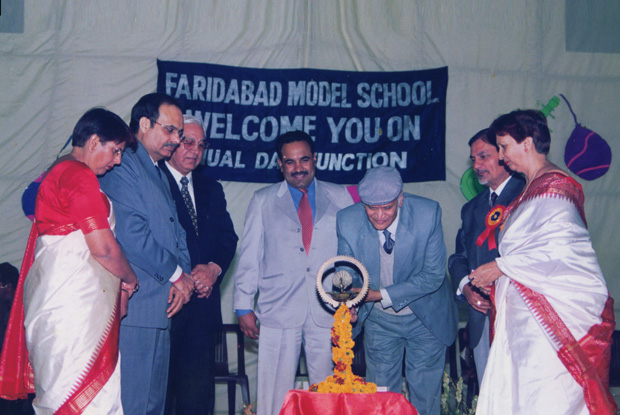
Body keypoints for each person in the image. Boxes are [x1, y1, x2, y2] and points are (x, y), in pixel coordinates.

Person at [470, 109, 616, 415]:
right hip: (527, 325)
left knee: (547, 398)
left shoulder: (556, 188)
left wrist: (500, 267)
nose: (501, 155)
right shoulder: (530, 188)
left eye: (504, 146)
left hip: (552, 326)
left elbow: (560, 254)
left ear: (527, 143)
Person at [0, 108, 139, 414]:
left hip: (60, 303)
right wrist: (129, 279)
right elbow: (103, 247)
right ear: (93, 142)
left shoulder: (58, 170)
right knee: (85, 401)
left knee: (60, 395)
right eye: (114, 151)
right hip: (74, 311)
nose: (117, 160)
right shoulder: (78, 175)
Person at [233, 130, 353, 415]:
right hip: (277, 311)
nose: (298, 168)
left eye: (304, 160)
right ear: (279, 164)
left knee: (327, 394)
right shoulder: (262, 200)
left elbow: (350, 257)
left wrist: (349, 302)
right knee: (273, 395)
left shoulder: (340, 196)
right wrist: (242, 306)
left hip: (328, 311)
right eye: (290, 162)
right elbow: (249, 256)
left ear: (315, 160)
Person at [99, 93, 195, 415]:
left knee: (152, 406)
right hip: (137, 311)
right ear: (143, 124)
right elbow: (132, 234)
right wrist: (178, 276)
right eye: (170, 131)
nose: (176, 140)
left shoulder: (156, 169)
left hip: (161, 308)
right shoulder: (124, 163)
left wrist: (183, 279)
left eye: (179, 134)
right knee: (134, 404)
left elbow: (177, 232)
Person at [337, 166, 458, 415]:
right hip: (380, 321)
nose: (380, 215)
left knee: (425, 397)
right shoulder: (346, 220)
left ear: (401, 199)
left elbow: (433, 276)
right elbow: (344, 273)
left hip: (425, 316)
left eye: (388, 208)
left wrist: (380, 294)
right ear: (363, 204)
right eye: (372, 208)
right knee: (381, 397)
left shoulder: (428, 213)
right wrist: (346, 303)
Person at [160, 115, 238, 415]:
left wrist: (214, 269)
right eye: (187, 142)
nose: (195, 150)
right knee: (162, 400)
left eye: (201, 145)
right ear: (172, 143)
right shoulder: (153, 181)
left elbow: (228, 237)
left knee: (197, 402)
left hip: (203, 313)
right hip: (166, 308)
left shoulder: (211, 188)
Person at [448, 129, 524, 386]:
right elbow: (458, 258)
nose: (476, 166)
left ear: (504, 155)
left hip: (521, 319)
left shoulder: (529, 194)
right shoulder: (472, 208)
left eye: (483, 156)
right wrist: (466, 288)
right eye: (473, 159)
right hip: (480, 321)